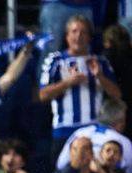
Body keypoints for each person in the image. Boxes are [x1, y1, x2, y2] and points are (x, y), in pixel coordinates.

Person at [39, 15, 122, 159]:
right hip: (64, 131)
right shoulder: (55, 61)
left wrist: (99, 77)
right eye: (74, 31)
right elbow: (43, 95)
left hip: (94, 131)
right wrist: (68, 82)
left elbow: (117, 95)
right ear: (67, 36)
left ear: (89, 37)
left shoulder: (100, 62)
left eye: (83, 32)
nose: (78, 36)